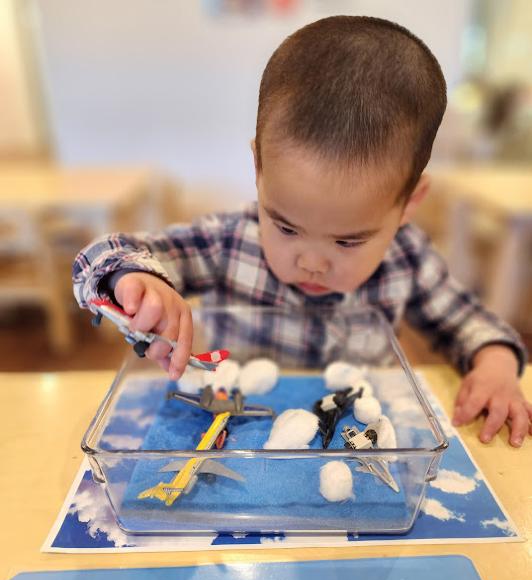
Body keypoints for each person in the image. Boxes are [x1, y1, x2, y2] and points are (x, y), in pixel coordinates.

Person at [73, 16, 531, 447]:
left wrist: (495, 365)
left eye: (348, 241)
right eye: (286, 227)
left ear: (408, 202)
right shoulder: (228, 242)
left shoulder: (406, 257)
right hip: (240, 430)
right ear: (259, 168)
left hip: (351, 438)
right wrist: (133, 279)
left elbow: (469, 323)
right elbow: (100, 257)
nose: (311, 261)